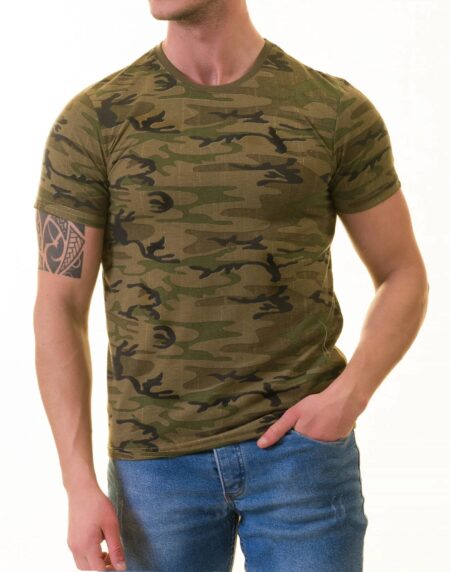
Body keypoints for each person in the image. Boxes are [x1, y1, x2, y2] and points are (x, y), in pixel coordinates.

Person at [33, 0, 429, 570]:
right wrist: (77, 482)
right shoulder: (95, 120)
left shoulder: (332, 110)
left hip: (301, 460)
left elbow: (403, 272)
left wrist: (350, 395)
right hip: (155, 472)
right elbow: (59, 306)